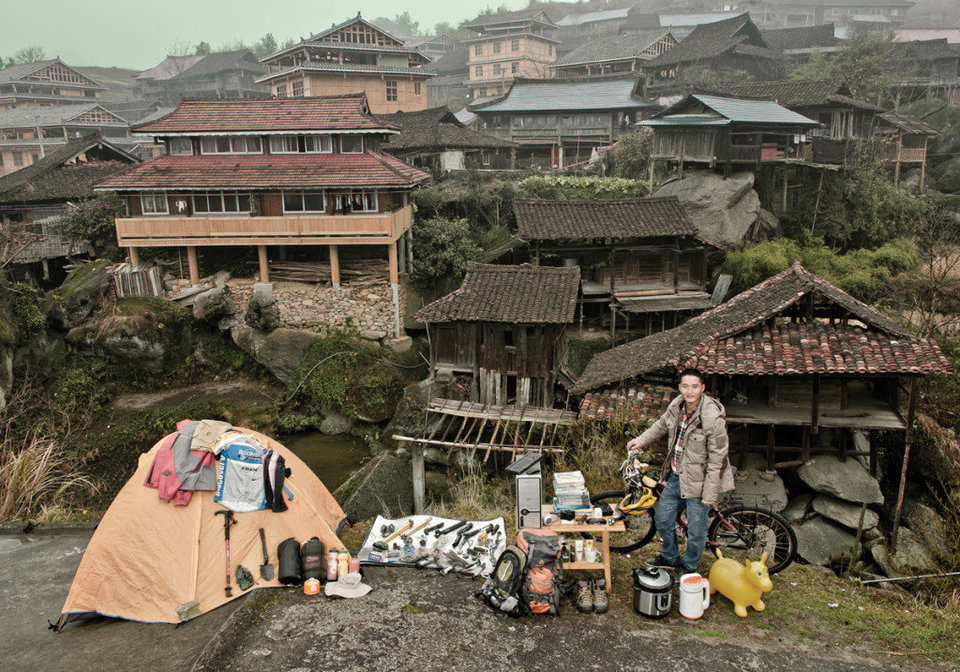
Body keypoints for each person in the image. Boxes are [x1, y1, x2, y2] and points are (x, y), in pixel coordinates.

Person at [625, 368, 735, 574]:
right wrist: (640, 440)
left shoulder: (712, 416)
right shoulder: (677, 406)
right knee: (662, 519)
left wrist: (710, 493)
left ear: (702, 388)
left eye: (695, 386)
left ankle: (689, 567)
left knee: (696, 531)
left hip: (700, 483)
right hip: (676, 477)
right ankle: (670, 557)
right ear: (679, 388)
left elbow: (717, 457)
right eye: (685, 386)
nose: (690, 391)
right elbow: (660, 426)